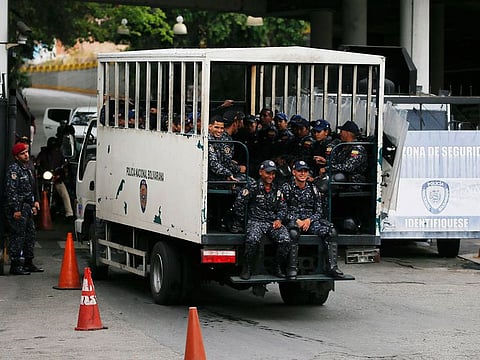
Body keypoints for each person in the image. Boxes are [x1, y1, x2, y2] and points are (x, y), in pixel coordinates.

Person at [281, 160, 344, 278]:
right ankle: (292, 268)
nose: (302, 174)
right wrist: (296, 220)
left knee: (331, 231)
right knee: (293, 233)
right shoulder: (286, 188)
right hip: (294, 222)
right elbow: (282, 210)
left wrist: (309, 220)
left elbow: (319, 211)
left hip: (310, 222)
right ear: (294, 172)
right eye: (300, 171)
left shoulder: (313, 189)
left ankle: (332, 267)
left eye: (305, 171)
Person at [232, 160, 292, 280]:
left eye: (273, 174)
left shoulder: (277, 189)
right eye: (268, 173)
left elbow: (283, 207)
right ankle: (247, 267)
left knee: (285, 239)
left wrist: (279, 219)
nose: (270, 176)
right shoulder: (253, 186)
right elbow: (239, 204)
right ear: (261, 172)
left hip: (271, 222)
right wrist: (245, 220)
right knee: (252, 240)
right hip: (256, 221)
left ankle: (277, 266)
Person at [4, 143, 43, 274]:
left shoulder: (27, 168)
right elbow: (11, 191)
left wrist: (34, 202)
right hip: (19, 207)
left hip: (27, 206)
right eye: (22, 153)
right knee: (18, 235)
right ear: (16, 156)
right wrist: (16, 209)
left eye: (26, 152)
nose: (26, 155)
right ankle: (15, 264)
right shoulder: (14, 170)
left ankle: (28, 261)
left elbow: (32, 187)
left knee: (30, 234)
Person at [36, 137, 74, 220]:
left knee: (64, 193)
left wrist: (60, 174)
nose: (54, 148)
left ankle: (69, 213)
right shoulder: (43, 153)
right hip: (44, 178)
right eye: (52, 146)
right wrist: (39, 171)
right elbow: (37, 162)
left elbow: (64, 166)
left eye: (55, 147)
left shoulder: (59, 154)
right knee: (35, 190)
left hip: (56, 179)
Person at [321, 120, 368, 186]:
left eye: (341, 131)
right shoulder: (345, 146)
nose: (340, 134)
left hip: (353, 182)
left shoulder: (357, 149)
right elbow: (338, 163)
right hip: (344, 178)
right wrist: (326, 162)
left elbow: (348, 167)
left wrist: (327, 168)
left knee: (332, 179)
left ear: (347, 133)